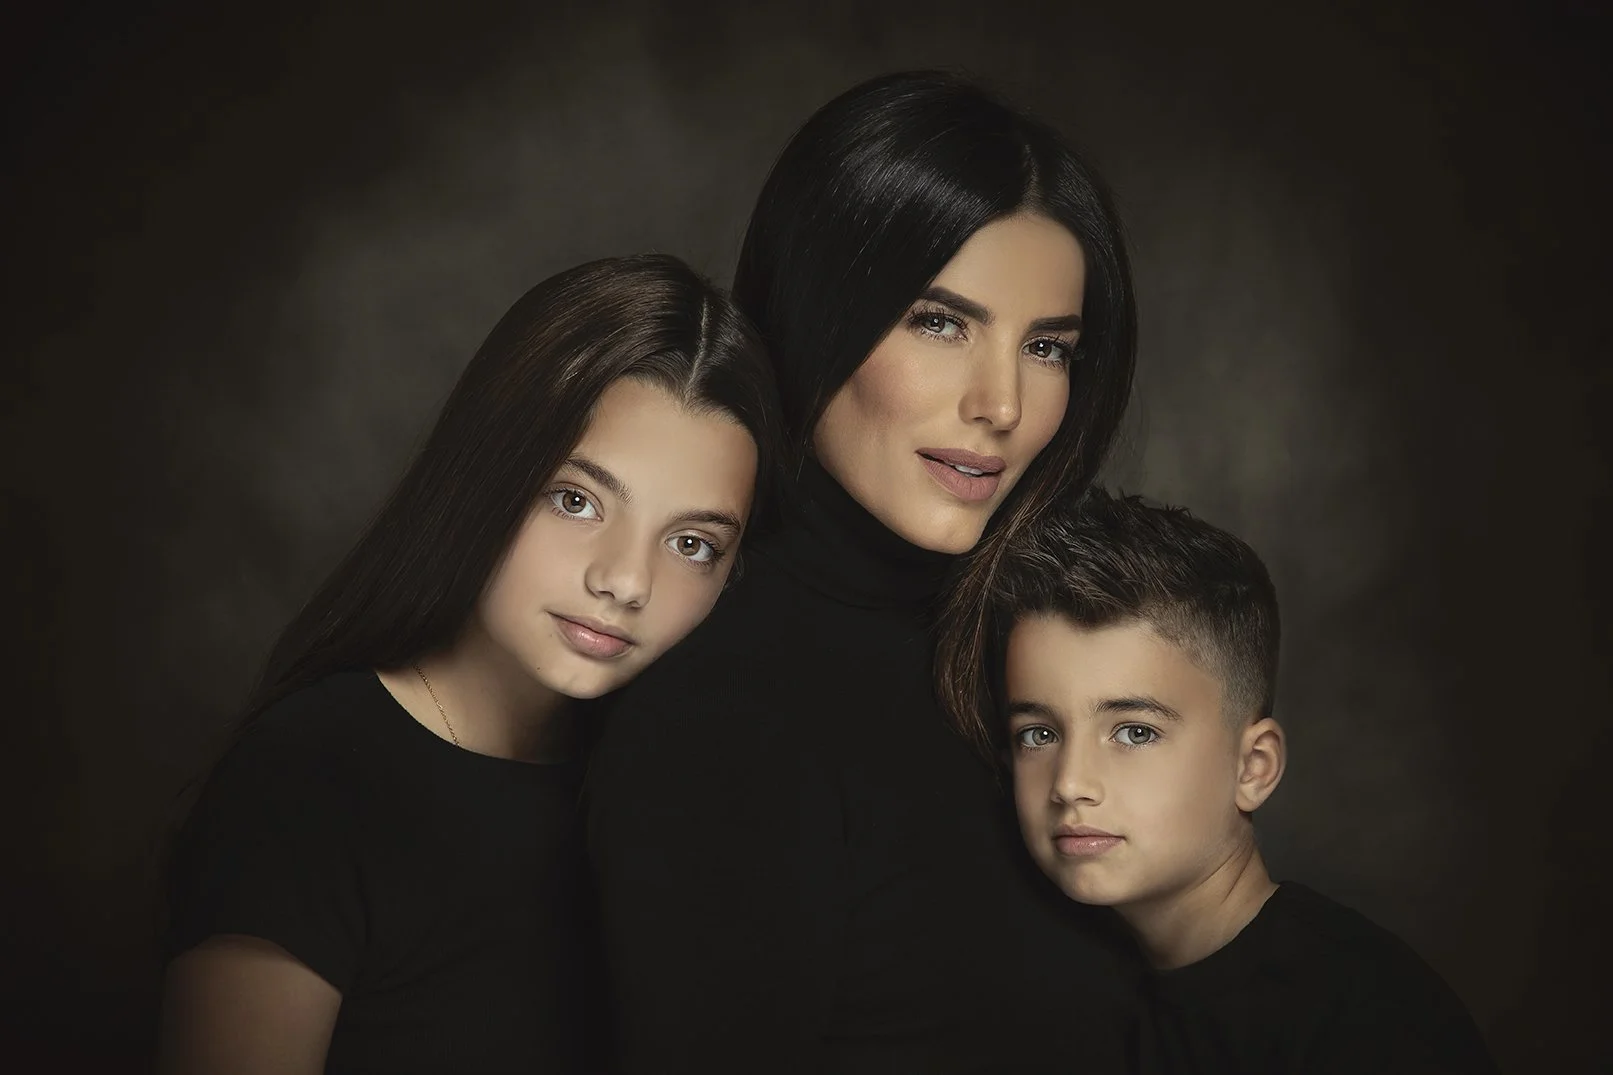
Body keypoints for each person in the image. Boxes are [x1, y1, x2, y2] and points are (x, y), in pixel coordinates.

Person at [585, 71, 1141, 1073]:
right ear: (813, 310)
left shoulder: (1056, 657)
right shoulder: (722, 708)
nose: (1001, 404)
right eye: (940, 322)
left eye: (1047, 346)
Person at [156, 254, 782, 1075]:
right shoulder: (312, 777)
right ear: (490, 474)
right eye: (576, 500)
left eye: (692, 543)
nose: (625, 580)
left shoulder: (676, 792)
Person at [981, 487, 1500, 1074]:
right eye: (1039, 735)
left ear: (1252, 768)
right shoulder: (1058, 988)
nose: (1070, 783)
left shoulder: (1370, 1026)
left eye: (1134, 733)